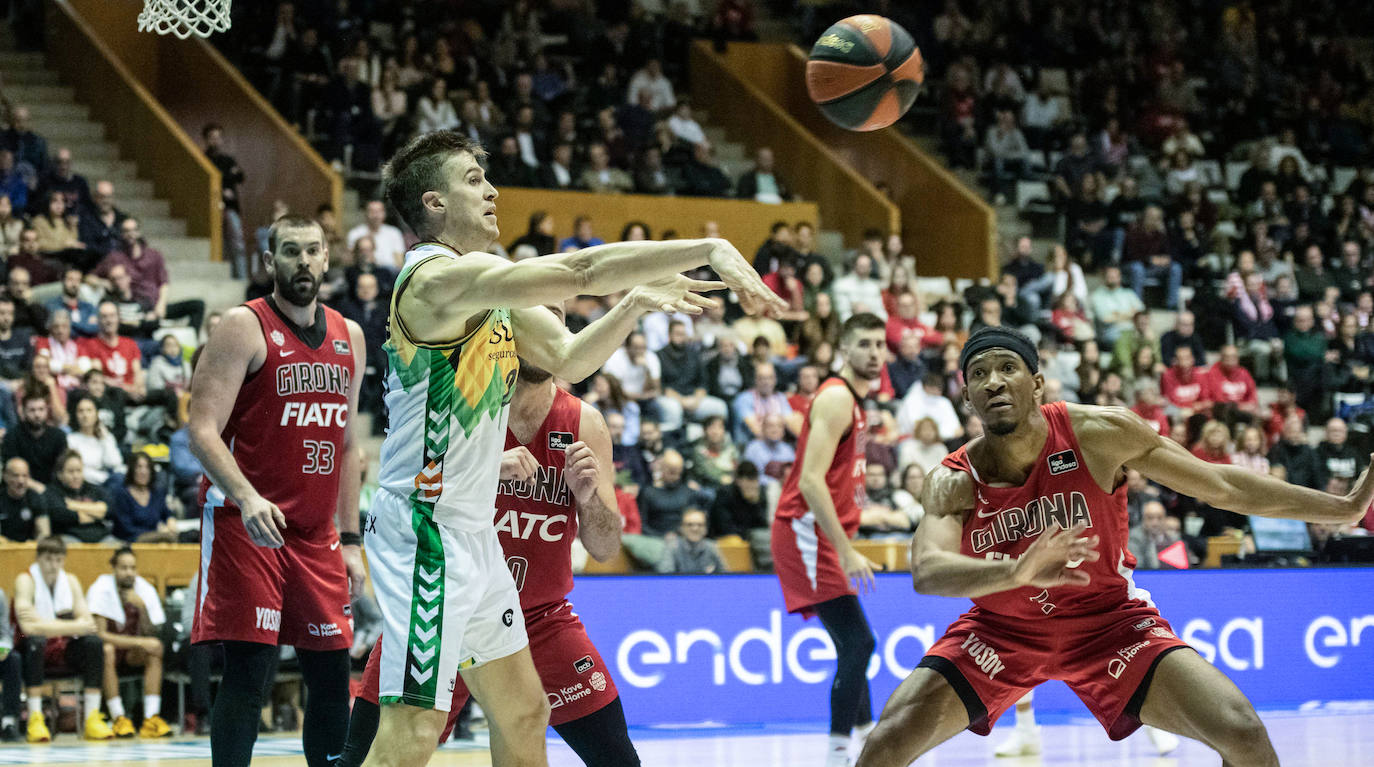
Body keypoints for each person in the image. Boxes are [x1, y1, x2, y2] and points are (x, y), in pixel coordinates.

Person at [363, 130, 781, 767]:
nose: (492, 189)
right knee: (415, 731)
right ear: (435, 203)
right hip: (424, 530)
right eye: (473, 179)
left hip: (470, 531)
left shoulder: (492, 297)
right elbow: (579, 270)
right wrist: (708, 247)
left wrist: (636, 303)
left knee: (525, 711)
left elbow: (569, 359)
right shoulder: (433, 279)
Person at [854, 325, 1374, 767]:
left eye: (1007, 367)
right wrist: (1018, 572)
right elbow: (927, 571)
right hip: (1000, 631)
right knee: (883, 746)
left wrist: (1345, 508)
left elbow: (1222, 485)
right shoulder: (953, 478)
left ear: (1036, 384)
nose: (993, 381)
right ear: (965, 395)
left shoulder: (1101, 433)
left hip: (1109, 624)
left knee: (1241, 731)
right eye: (978, 374)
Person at [340, 333, 638, 766]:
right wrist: (485, 470)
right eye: (536, 321)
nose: (547, 334)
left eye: (556, 321)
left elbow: (607, 548)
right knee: (364, 755)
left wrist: (589, 497)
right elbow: (402, 487)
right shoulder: (463, 402)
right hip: (448, 610)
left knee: (617, 760)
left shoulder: (585, 423)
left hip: (540, 619)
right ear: (508, 332)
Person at [187, 214, 368, 767]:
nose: (304, 262)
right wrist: (246, 495)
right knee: (249, 670)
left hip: (316, 535)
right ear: (270, 262)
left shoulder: (350, 336)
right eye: (290, 252)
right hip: (249, 527)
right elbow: (200, 429)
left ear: (327, 258)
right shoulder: (243, 327)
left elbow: (345, 448)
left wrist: (352, 539)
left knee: (333, 672)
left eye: (313, 251)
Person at [771, 313, 888, 767]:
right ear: (844, 349)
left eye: (880, 343)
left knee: (854, 644)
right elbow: (810, 483)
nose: (875, 352)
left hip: (818, 531)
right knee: (859, 643)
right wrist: (845, 549)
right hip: (805, 530)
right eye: (864, 344)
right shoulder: (838, 397)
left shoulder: (853, 401)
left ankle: (867, 735)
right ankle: (842, 752)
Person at [14, 536, 110, 742]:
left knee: (94, 643)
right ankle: (35, 717)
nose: (53, 565)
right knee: (35, 642)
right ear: (39, 558)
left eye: (58, 560)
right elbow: (28, 627)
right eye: (48, 559)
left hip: (63, 647)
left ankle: (92, 717)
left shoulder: (71, 581)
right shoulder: (25, 580)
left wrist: (46, 623)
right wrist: (73, 626)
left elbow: (89, 625)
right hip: (29, 646)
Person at [87, 546, 171, 738]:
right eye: (123, 568)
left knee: (155, 648)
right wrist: (139, 643)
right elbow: (99, 635)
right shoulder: (101, 589)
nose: (129, 573)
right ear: (114, 569)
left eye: (132, 568)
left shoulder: (144, 590)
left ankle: (151, 717)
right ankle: (119, 717)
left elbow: (152, 631)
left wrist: (142, 608)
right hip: (108, 655)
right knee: (106, 650)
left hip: (132, 654)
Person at [658, 508, 726, 573]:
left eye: (700, 525)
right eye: (689, 525)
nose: (695, 529)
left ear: (706, 529)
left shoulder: (712, 547)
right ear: (681, 528)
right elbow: (665, 578)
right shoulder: (672, 547)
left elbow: (725, 576)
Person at [0, 457, 52, 542]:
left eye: (24, 476)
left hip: (29, 549)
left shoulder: (36, 498)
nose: (21, 481)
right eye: (15, 476)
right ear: (5, 476)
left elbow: (44, 533)